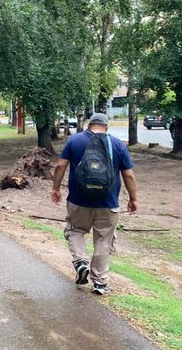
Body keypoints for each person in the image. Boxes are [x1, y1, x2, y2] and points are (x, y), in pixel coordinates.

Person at [50, 113, 138, 295]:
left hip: (78, 200)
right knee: (104, 239)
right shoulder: (117, 144)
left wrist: (56, 188)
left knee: (75, 230)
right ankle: (100, 283)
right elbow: (128, 175)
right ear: (106, 127)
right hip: (108, 202)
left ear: (89, 125)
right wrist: (133, 198)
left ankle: (81, 262)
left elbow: (60, 166)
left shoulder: (75, 141)